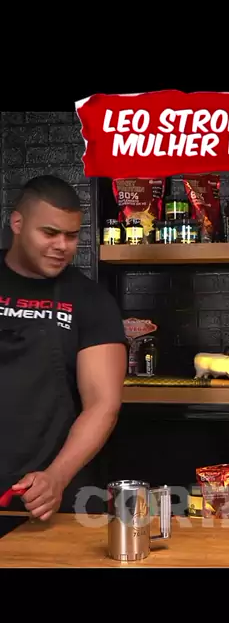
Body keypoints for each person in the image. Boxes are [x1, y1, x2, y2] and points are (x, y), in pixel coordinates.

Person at [0, 175, 127, 521]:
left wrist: (56, 476)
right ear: (17, 224)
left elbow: (103, 404)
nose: (62, 246)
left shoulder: (91, 301)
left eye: (71, 236)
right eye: (50, 233)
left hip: (51, 496)